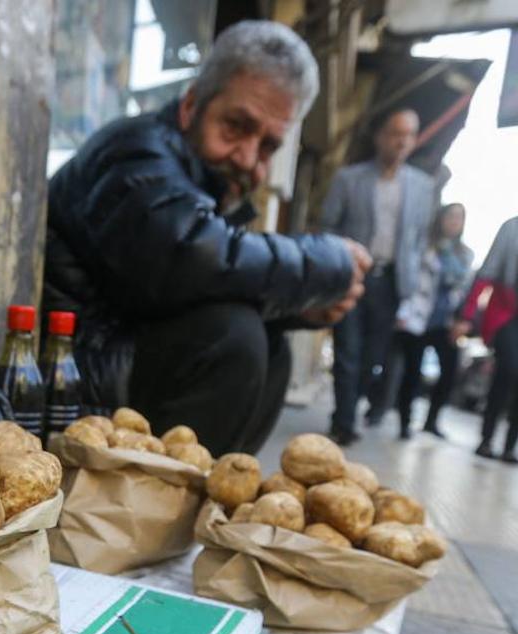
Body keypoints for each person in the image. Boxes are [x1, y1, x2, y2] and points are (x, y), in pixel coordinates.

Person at [42, 21, 369, 456]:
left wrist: (300, 311)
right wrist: (328, 262)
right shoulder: (134, 153)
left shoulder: (197, 184)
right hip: (67, 384)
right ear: (191, 105)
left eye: (268, 146)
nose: (247, 158)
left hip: (113, 366)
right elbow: (192, 257)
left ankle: (199, 492)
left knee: (268, 341)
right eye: (235, 126)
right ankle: (154, 510)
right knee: (233, 336)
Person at [321, 108, 435, 446]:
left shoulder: (422, 187)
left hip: (391, 283)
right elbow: (329, 226)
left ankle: (347, 410)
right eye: (396, 132)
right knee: (348, 351)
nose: (402, 141)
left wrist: (411, 283)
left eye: (409, 134)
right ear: (380, 136)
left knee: (373, 358)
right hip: (353, 274)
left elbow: (417, 238)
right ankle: (344, 422)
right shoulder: (349, 178)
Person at [391, 203, 474, 439]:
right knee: (411, 372)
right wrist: (403, 314)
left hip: (445, 321)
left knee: (449, 372)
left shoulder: (464, 255)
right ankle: (404, 422)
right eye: (451, 216)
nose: (454, 222)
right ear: (441, 219)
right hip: (418, 318)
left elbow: (464, 289)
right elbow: (410, 281)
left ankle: (432, 421)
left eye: (460, 217)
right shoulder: (424, 247)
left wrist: (463, 320)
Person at [455, 215, 518, 462]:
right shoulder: (511, 228)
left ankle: (510, 446)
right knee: (509, 370)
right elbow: (487, 272)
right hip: (506, 313)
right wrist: (466, 314)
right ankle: (486, 439)